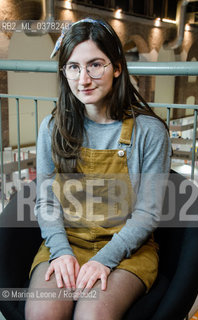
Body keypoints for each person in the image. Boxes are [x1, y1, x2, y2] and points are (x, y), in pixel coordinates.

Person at [25, 18, 172, 320]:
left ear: (117, 67)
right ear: (64, 72)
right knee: (42, 313)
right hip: (69, 240)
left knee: (92, 316)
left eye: (95, 64)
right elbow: (47, 201)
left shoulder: (150, 131)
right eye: (73, 67)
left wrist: (104, 259)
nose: (84, 79)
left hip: (127, 250)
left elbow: (147, 213)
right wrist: (61, 252)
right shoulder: (52, 127)